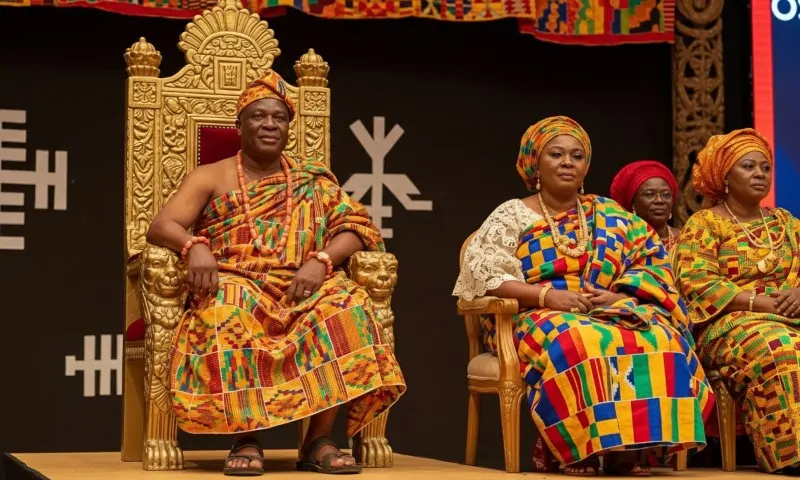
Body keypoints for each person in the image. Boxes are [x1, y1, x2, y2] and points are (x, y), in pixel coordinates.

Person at [146, 71, 405, 476]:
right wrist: (194, 246)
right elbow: (162, 225)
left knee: (348, 306)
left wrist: (321, 260)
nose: (269, 124)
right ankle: (245, 438)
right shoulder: (210, 175)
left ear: (289, 126)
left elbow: (359, 227)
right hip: (235, 280)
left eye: (279, 117)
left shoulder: (311, 179)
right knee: (224, 312)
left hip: (301, 283)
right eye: (258, 116)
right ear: (239, 125)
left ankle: (318, 439)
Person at [453, 116, 713, 476]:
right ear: (534, 164)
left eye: (576, 156)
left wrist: (617, 296)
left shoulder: (608, 214)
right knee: (581, 339)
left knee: (660, 337)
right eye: (556, 154)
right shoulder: (512, 214)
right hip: (534, 314)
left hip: (606, 308)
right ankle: (578, 451)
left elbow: (651, 262)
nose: (567, 162)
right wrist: (546, 297)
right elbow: (484, 275)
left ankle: (627, 449)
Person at [673, 128, 800, 474]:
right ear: (725, 175)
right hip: (728, 323)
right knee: (778, 347)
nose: (760, 174)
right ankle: (789, 454)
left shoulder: (786, 223)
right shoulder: (705, 224)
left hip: (790, 315)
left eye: (765, 168)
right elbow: (696, 283)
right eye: (748, 167)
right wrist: (758, 303)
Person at [610, 160, 681, 252]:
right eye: (649, 194)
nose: (659, 200)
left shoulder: (686, 239)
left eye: (666, 194)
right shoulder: (621, 243)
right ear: (633, 204)